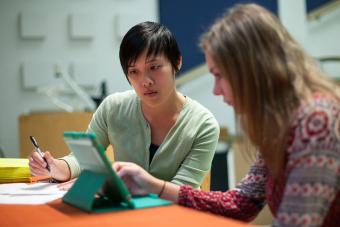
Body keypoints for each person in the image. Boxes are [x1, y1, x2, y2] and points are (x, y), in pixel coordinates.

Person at [112, 4, 340, 227]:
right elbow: (240, 203)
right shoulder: (283, 124)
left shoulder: (316, 120)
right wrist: (152, 185)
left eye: (219, 75)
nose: (216, 90)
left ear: (252, 71)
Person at [28, 21, 220, 188]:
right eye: (134, 71)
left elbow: (181, 193)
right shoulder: (112, 108)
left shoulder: (203, 125)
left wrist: (111, 183)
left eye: (154, 67)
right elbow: (81, 159)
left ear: (177, 62)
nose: (145, 80)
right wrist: (56, 167)